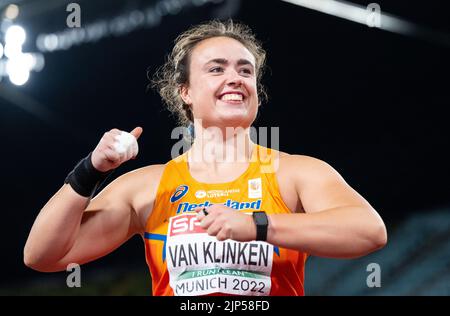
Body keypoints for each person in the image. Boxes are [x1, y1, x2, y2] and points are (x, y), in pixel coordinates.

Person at [24, 20, 387, 296]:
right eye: (216, 69)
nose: (235, 79)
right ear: (185, 92)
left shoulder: (295, 172)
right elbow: (43, 255)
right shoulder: (148, 186)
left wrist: (258, 226)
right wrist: (91, 170)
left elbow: (369, 231)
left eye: (245, 70)